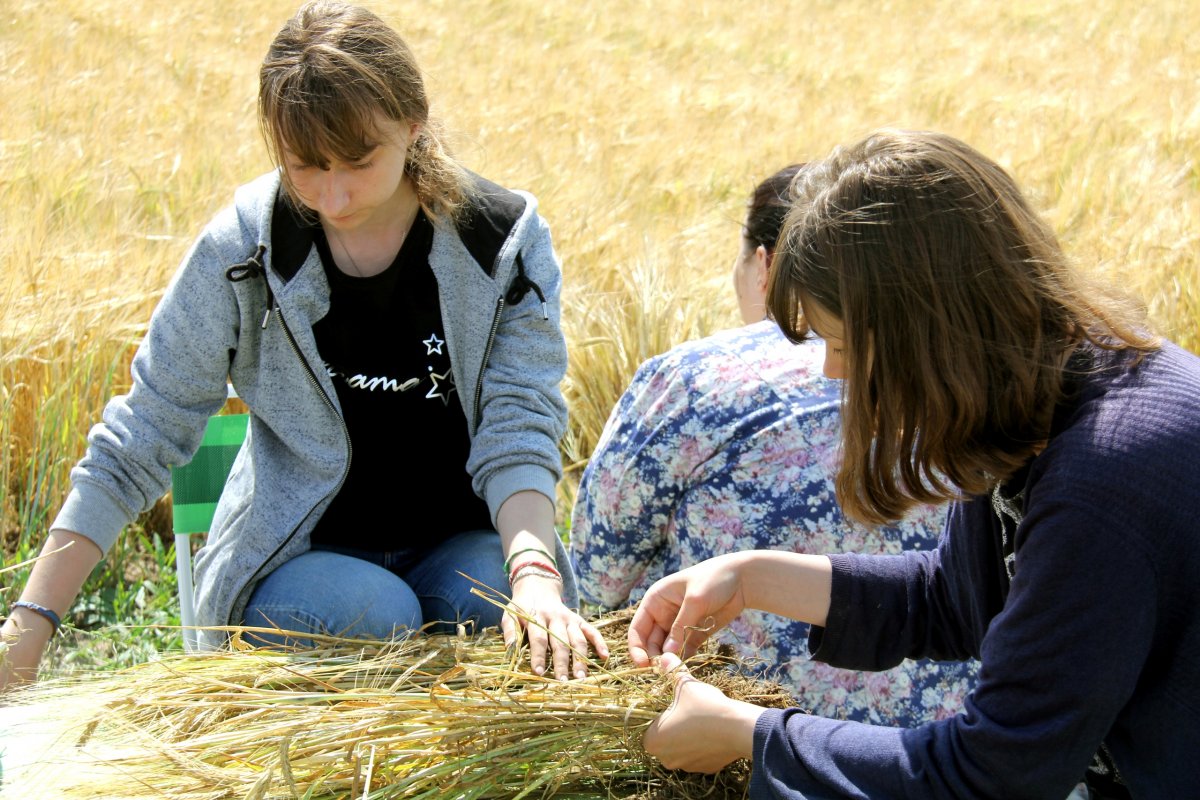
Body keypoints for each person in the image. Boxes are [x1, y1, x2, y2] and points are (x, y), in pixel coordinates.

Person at [1, 0, 606, 690]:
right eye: (306, 166)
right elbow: (143, 432)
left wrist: (533, 576)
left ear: (413, 123)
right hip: (300, 559)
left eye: (359, 160)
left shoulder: (500, 243)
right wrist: (30, 624)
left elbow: (520, 422)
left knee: (495, 603)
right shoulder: (243, 251)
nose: (335, 195)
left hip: (463, 542)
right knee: (378, 616)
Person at [628, 130, 1200, 798]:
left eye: (840, 342)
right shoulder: (1055, 390)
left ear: (926, 333)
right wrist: (751, 578)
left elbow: (993, 773)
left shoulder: (1102, 484)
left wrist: (750, 733)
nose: (833, 370)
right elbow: (961, 598)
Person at [570, 165, 977, 725]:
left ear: (767, 265)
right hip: (948, 745)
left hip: (739, 741)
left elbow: (597, 576)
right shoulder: (959, 384)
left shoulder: (690, 378)